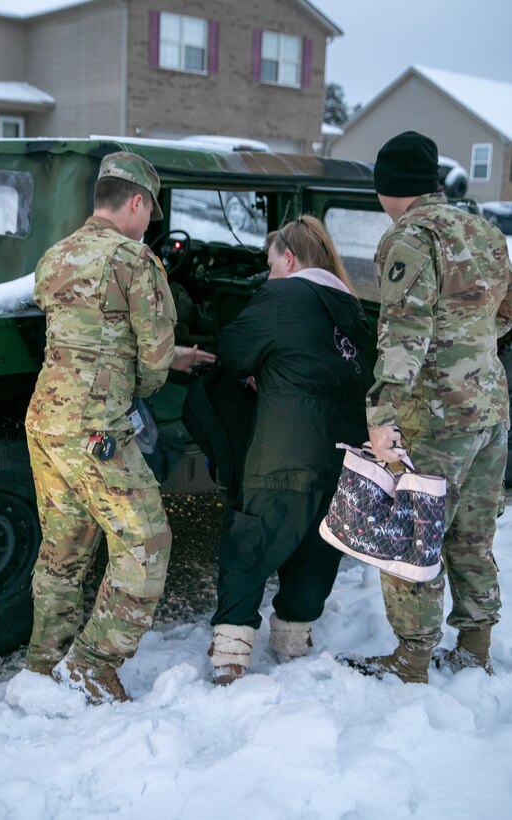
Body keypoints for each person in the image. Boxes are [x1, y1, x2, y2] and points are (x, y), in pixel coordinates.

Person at [339, 131, 512, 684]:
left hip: (435, 417)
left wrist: (383, 413)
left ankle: (412, 658)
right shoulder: (484, 229)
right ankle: (475, 648)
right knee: (472, 534)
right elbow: (505, 312)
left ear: (387, 188)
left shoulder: (409, 238)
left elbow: (403, 333)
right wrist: (472, 350)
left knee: (413, 532)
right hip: (489, 408)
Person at [24, 151, 180, 705]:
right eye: (149, 213)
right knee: (146, 545)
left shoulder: (54, 256)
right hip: (99, 432)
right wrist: (145, 375)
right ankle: (90, 665)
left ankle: (44, 663)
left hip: (46, 422)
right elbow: (155, 363)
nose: (148, 225)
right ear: (136, 203)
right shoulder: (136, 262)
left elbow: (75, 328)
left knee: (62, 549)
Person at [207, 215, 375, 684]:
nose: (268, 274)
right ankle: (293, 639)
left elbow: (235, 350)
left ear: (290, 257)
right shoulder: (354, 309)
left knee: (253, 541)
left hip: (285, 451)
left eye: (271, 263)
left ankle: (230, 654)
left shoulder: (284, 295)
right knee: (316, 547)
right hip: (344, 457)